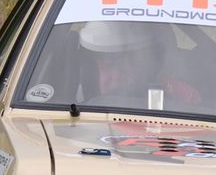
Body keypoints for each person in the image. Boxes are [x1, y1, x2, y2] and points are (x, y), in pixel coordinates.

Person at [75, 22, 206, 113]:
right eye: (108, 66)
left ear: (150, 65)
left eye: (126, 63)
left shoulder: (184, 97)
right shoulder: (73, 110)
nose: (117, 76)